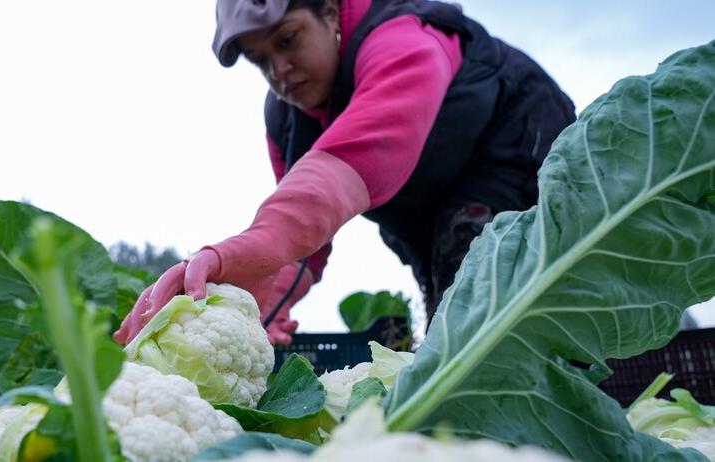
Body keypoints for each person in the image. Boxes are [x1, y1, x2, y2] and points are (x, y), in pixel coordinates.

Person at [113, 0, 575, 346]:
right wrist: (254, 304)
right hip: (428, 218)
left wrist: (251, 244)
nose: (279, 69)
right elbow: (300, 242)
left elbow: (354, 160)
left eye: (287, 40)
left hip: (523, 160)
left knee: (485, 317)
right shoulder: (286, 118)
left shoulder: (403, 42)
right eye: (260, 61)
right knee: (448, 313)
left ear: (331, 13)